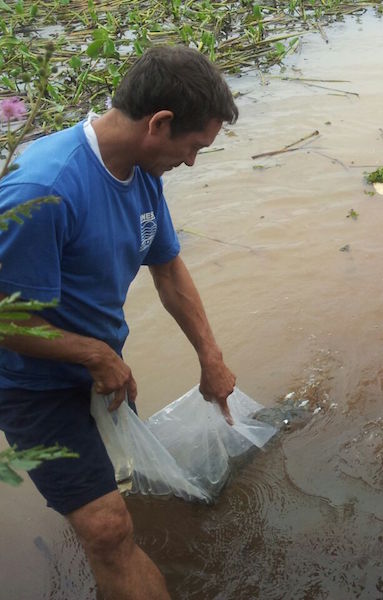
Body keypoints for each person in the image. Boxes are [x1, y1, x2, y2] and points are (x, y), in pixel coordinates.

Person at [0, 45, 239, 600]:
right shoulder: (44, 188)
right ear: (159, 124)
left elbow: (168, 268)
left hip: (102, 370)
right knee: (108, 531)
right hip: (32, 386)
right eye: (194, 146)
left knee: (121, 495)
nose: (193, 162)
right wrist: (95, 355)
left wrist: (211, 357)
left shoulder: (138, 170)